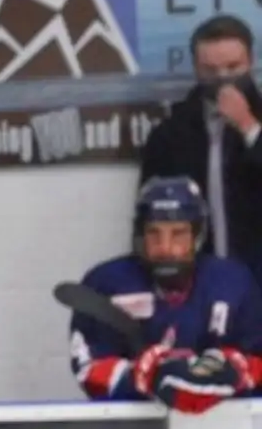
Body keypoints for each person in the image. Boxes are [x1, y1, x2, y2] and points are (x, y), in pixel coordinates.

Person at [69, 177, 262, 412]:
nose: (166, 248)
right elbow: (88, 368)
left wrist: (233, 370)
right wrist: (145, 376)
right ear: (141, 235)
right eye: (154, 234)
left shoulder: (234, 281)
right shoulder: (105, 284)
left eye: (178, 234)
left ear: (198, 236)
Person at [138, 15, 262, 284]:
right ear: (196, 68)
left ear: (250, 62)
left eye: (233, 67)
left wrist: (248, 125)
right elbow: (147, 220)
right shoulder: (170, 135)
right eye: (210, 69)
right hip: (198, 284)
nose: (223, 78)